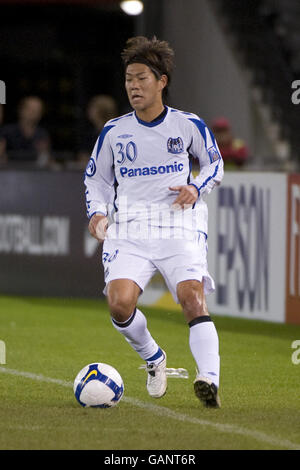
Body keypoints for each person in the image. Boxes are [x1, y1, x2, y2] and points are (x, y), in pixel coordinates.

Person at [84, 36, 224, 408]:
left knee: (192, 297)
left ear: (161, 81)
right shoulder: (114, 131)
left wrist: (195, 187)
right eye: (129, 78)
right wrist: (96, 212)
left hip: (178, 223)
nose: (133, 86)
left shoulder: (187, 124)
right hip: (130, 227)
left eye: (142, 78)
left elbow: (215, 163)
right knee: (119, 304)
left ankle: (209, 379)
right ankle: (154, 358)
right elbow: (96, 179)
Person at [0, 96, 52, 168]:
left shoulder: (42, 134)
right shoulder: (6, 131)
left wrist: (45, 156)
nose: (34, 113)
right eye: (31, 109)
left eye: (38, 110)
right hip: (10, 173)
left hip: (35, 173)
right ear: (21, 110)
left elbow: (46, 158)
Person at [76, 95, 118, 168]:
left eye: (92, 107)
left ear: (101, 111)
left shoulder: (116, 132)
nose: (89, 110)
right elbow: (83, 156)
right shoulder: (91, 133)